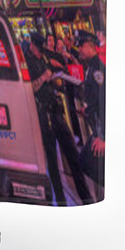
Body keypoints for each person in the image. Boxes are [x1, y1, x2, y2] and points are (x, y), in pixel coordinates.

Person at [27, 33, 92, 206]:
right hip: (44, 115)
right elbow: (30, 89)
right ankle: (61, 202)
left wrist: (55, 80)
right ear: (32, 45)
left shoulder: (45, 59)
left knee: (73, 156)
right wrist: (44, 78)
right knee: (53, 165)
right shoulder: (28, 62)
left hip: (56, 112)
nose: (41, 50)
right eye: (39, 46)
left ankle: (86, 198)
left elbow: (53, 74)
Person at [76, 31, 106, 193]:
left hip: (102, 132)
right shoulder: (92, 67)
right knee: (85, 162)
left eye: (81, 46)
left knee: (87, 163)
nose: (78, 49)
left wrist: (103, 137)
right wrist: (87, 109)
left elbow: (104, 102)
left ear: (89, 46)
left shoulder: (96, 70)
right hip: (98, 128)